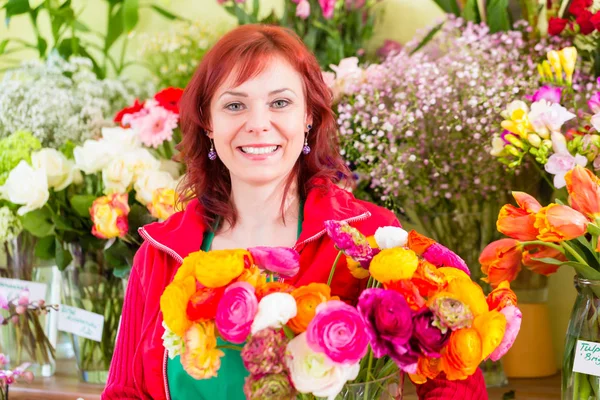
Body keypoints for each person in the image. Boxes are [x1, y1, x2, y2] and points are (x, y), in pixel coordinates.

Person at [102, 24, 487, 400]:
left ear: (308, 117)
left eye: (280, 103)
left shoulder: (370, 240)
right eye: (235, 105)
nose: (257, 124)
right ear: (207, 123)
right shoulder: (159, 254)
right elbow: (125, 392)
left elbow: (454, 382)